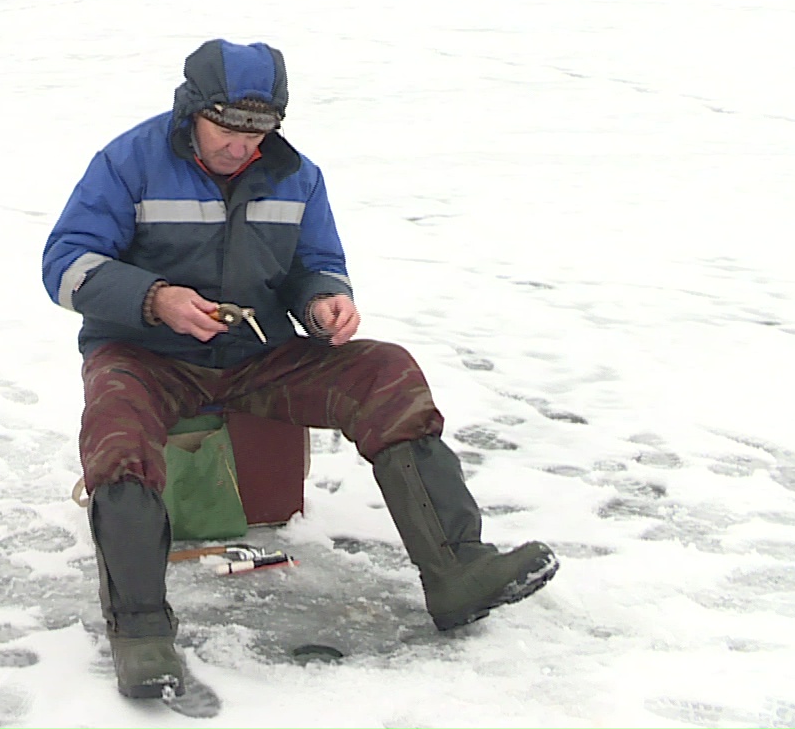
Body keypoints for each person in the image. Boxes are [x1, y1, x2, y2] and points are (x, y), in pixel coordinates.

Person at [41, 38, 556, 699]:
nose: (240, 146)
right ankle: (141, 633)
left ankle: (457, 571)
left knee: (385, 372)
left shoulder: (298, 176)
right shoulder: (127, 162)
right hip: (146, 355)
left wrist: (324, 303)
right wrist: (155, 300)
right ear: (192, 110)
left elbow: (315, 265)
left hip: (256, 355)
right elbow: (66, 265)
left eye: (259, 132)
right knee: (117, 429)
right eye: (226, 127)